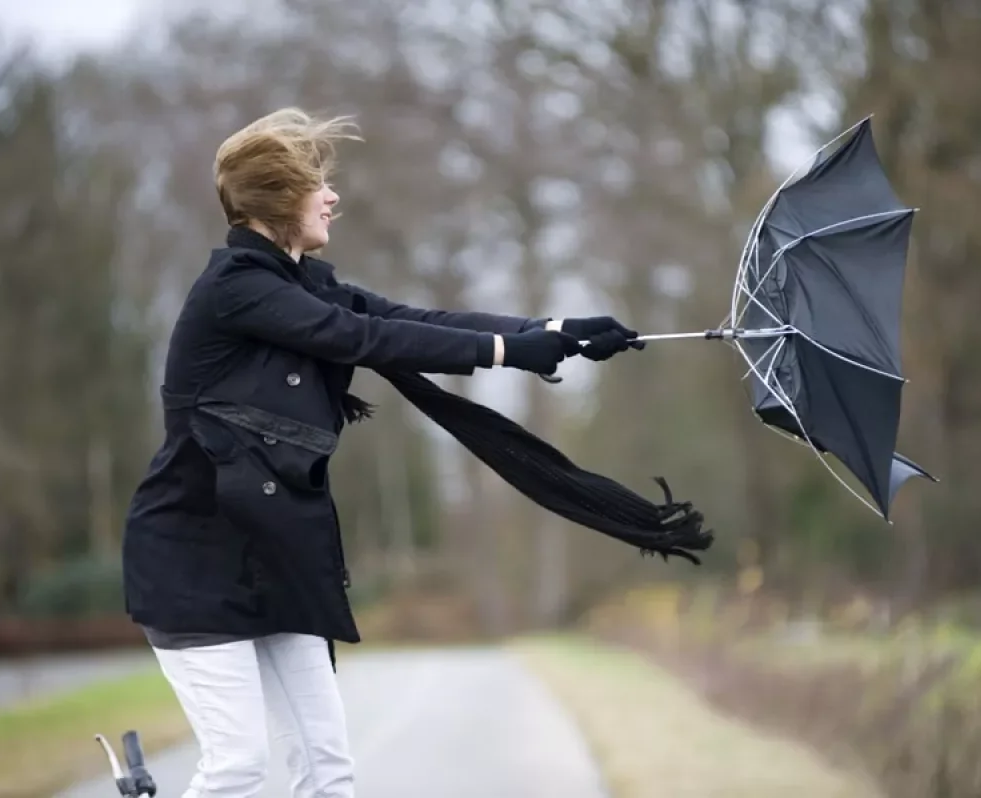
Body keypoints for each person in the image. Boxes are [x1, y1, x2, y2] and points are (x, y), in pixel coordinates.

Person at [120, 108, 642, 798]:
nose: (332, 196)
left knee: (328, 769)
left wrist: (553, 330)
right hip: (195, 559)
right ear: (278, 198)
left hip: (279, 556)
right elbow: (359, 339)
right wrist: (509, 350)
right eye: (316, 185)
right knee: (239, 767)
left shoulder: (303, 283)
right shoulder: (236, 290)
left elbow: (409, 321)